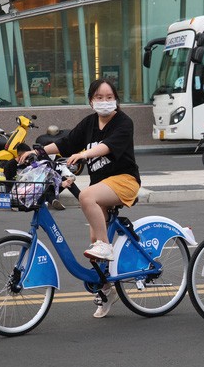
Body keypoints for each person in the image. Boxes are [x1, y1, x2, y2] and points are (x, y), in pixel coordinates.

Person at [20, 78, 141, 318]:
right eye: (99, 97)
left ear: (116, 99)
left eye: (109, 97)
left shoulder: (124, 123)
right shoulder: (88, 124)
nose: (105, 102)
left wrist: (83, 153)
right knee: (93, 241)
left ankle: (107, 246)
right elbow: (65, 143)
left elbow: (106, 147)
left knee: (87, 198)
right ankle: (107, 288)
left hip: (125, 181)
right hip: (102, 186)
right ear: (91, 100)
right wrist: (38, 151)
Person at [3, 142, 73, 210]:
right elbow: (10, 183)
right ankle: (51, 200)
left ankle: (53, 200)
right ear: (19, 156)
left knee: (45, 185)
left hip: (31, 187)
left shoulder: (30, 162)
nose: (27, 159)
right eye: (25, 156)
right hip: (18, 190)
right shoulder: (10, 165)